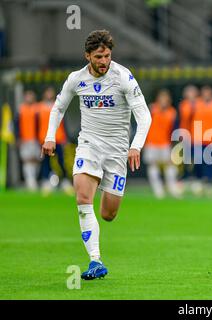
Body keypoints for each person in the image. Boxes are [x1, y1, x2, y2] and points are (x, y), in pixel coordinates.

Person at [41, 30, 151, 280]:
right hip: (89, 144)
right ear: (87, 55)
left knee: (108, 215)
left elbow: (144, 115)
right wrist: (49, 136)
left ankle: (101, 185)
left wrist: (136, 146)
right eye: (99, 56)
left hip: (117, 150)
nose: (104, 61)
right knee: (82, 197)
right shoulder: (76, 79)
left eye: (108, 56)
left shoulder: (123, 77)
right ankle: (95, 261)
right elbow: (58, 107)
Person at [143, 89, 179, 198]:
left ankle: (172, 187)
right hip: (151, 143)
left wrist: (174, 143)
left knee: (169, 165)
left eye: (166, 98)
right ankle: (158, 190)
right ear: (158, 99)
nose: (164, 100)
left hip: (165, 143)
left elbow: (174, 129)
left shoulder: (172, 112)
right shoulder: (152, 109)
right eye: (162, 98)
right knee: (153, 165)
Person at [37, 87, 73, 195]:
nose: (49, 94)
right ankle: (46, 183)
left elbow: (63, 122)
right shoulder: (39, 107)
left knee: (62, 161)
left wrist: (66, 137)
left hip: (59, 138)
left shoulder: (58, 105)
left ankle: (65, 182)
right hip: (44, 139)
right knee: (45, 162)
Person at [191, 85, 212, 195]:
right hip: (198, 137)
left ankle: (209, 183)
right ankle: (199, 182)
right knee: (198, 162)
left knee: (210, 162)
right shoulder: (195, 103)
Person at [17, 90, 40, 191]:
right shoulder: (21, 109)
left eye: (31, 96)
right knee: (26, 160)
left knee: (36, 159)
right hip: (25, 139)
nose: (29, 98)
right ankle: (29, 180)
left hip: (36, 139)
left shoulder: (38, 108)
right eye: (27, 96)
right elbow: (16, 125)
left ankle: (34, 178)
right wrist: (18, 137)